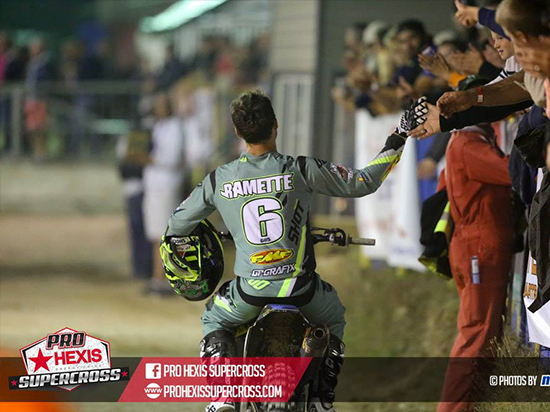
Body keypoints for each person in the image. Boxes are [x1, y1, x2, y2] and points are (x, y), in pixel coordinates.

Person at [162, 90, 419, 412]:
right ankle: (322, 398)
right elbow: (363, 182)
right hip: (302, 290)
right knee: (334, 318)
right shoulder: (299, 168)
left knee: (215, 319)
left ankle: (224, 395)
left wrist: (211, 238)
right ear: (276, 126)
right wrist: (399, 136)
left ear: (238, 132)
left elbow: (176, 225)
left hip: (249, 293)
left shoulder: (219, 180)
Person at [436, 119, 514, 412]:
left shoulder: (460, 143)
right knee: (477, 335)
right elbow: (511, 171)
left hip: (470, 247)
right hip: (478, 250)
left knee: (482, 335)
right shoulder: (469, 144)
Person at [143, 93, 187, 294]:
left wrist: (147, 158)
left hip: (166, 184)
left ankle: (170, 280)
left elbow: (172, 157)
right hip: (155, 185)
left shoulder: (175, 127)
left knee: (166, 234)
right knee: (155, 234)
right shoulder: (158, 126)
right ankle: (157, 278)